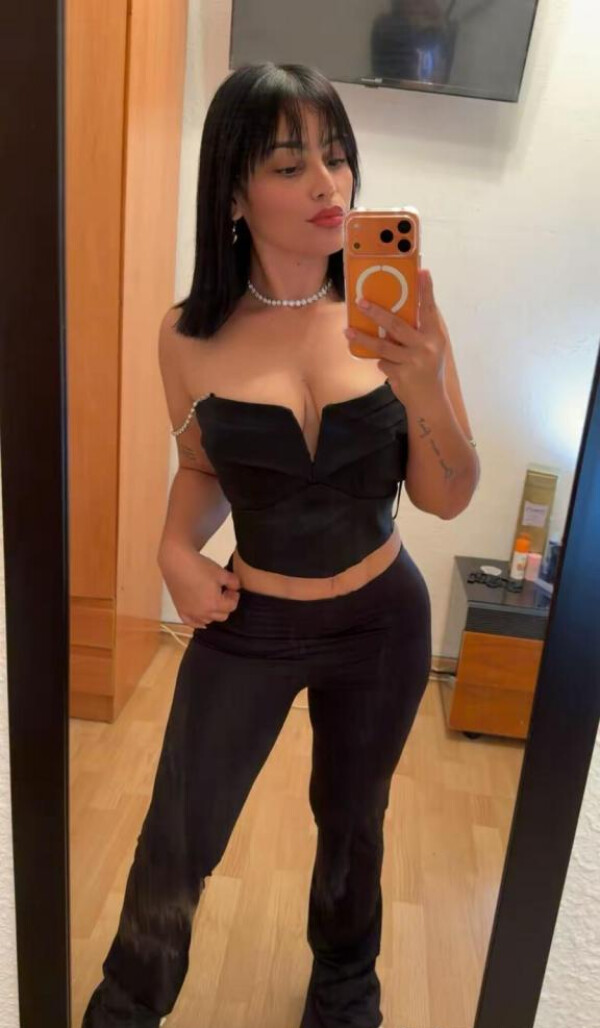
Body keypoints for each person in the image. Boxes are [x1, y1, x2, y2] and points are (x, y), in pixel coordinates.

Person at [82, 61, 479, 1028]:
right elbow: (204, 467)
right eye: (291, 165)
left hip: (382, 622)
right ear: (232, 194)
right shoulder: (188, 337)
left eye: (337, 157)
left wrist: (423, 385)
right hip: (250, 623)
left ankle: (345, 994)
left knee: (353, 822)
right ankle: (126, 1009)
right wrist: (173, 552)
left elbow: (448, 496)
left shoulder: (401, 321)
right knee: (180, 831)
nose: (329, 185)